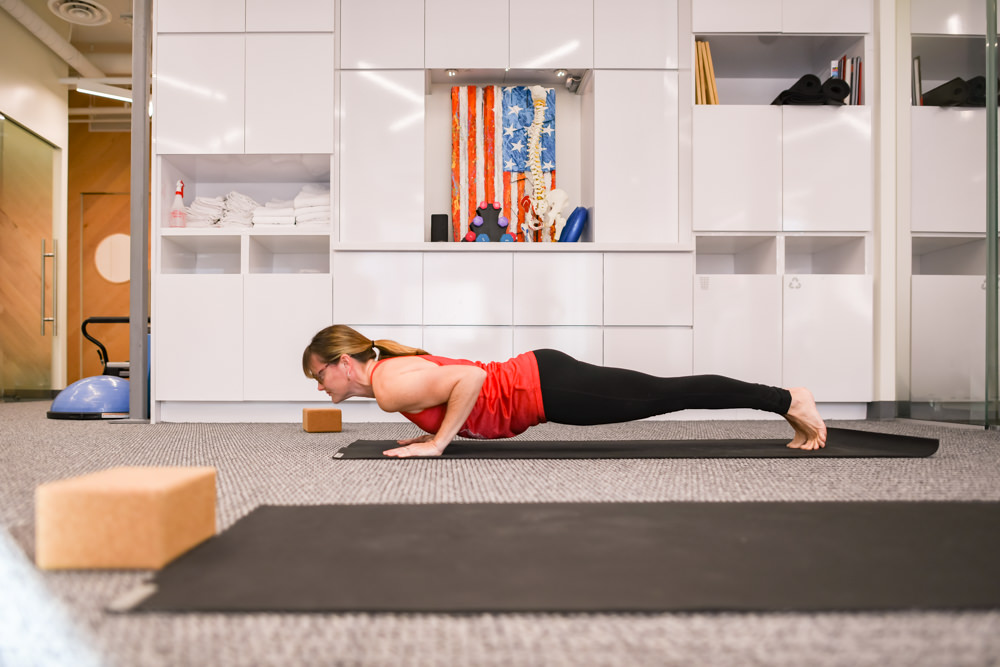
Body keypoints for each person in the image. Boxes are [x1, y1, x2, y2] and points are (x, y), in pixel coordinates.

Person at [303, 324, 828, 458]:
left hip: (546, 388)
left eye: (318, 374)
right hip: (544, 381)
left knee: (668, 394)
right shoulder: (389, 377)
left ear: (344, 363)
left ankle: (787, 398)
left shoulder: (389, 385)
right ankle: (785, 401)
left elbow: (474, 378)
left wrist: (438, 443)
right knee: (665, 393)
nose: (319, 385)